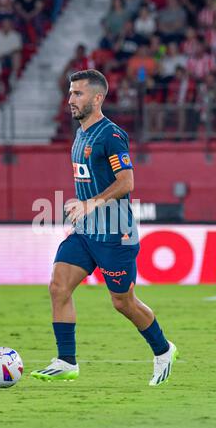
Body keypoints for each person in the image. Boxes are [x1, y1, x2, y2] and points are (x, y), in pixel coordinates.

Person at [31, 69, 178, 386]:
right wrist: (83, 203)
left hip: (115, 234)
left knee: (122, 302)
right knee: (59, 286)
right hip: (86, 231)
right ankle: (66, 361)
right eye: (70, 93)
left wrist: (90, 203)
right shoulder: (81, 133)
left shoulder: (111, 135)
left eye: (78, 94)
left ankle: (163, 349)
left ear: (97, 98)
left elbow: (127, 182)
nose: (70, 99)